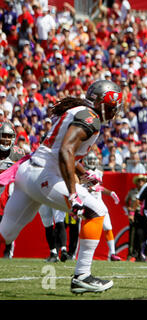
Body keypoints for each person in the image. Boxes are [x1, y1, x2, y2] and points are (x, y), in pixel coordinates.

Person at [0, 79, 123, 294]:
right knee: (97, 211)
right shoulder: (90, 117)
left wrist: (84, 175)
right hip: (45, 176)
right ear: (105, 105)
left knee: (6, 234)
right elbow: (65, 151)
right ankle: (82, 276)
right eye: (113, 107)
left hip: (28, 172)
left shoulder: (80, 110)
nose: (114, 112)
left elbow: (63, 151)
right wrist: (74, 193)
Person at [81, 151, 122, 261]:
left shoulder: (99, 172)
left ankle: (113, 253)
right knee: (88, 229)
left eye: (93, 160)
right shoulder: (82, 172)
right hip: (88, 203)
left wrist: (111, 193)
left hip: (99, 202)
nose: (92, 162)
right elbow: (80, 188)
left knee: (108, 227)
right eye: (90, 160)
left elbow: (100, 188)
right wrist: (90, 189)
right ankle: (79, 253)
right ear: (85, 162)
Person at [0, 121, 26, 258]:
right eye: (3, 135)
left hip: (8, 196)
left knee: (7, 225)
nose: (6, 139)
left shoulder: (18, 154)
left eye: (9, 136)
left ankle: (8, 252)